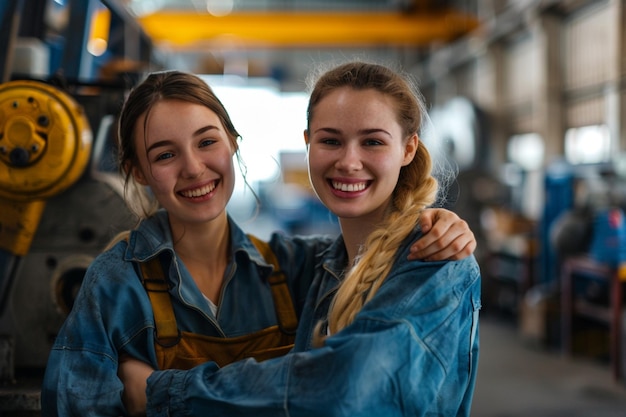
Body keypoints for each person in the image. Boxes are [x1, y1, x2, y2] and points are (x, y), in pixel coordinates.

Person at [41, 69, 475, 416]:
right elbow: (75, 402)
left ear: (232, 143)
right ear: (138, 171)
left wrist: (155, 392)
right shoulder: (115, 285)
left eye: (207, 142)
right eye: (165, 154)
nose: (193, 168)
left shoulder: (300, 268)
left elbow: (348, 387)